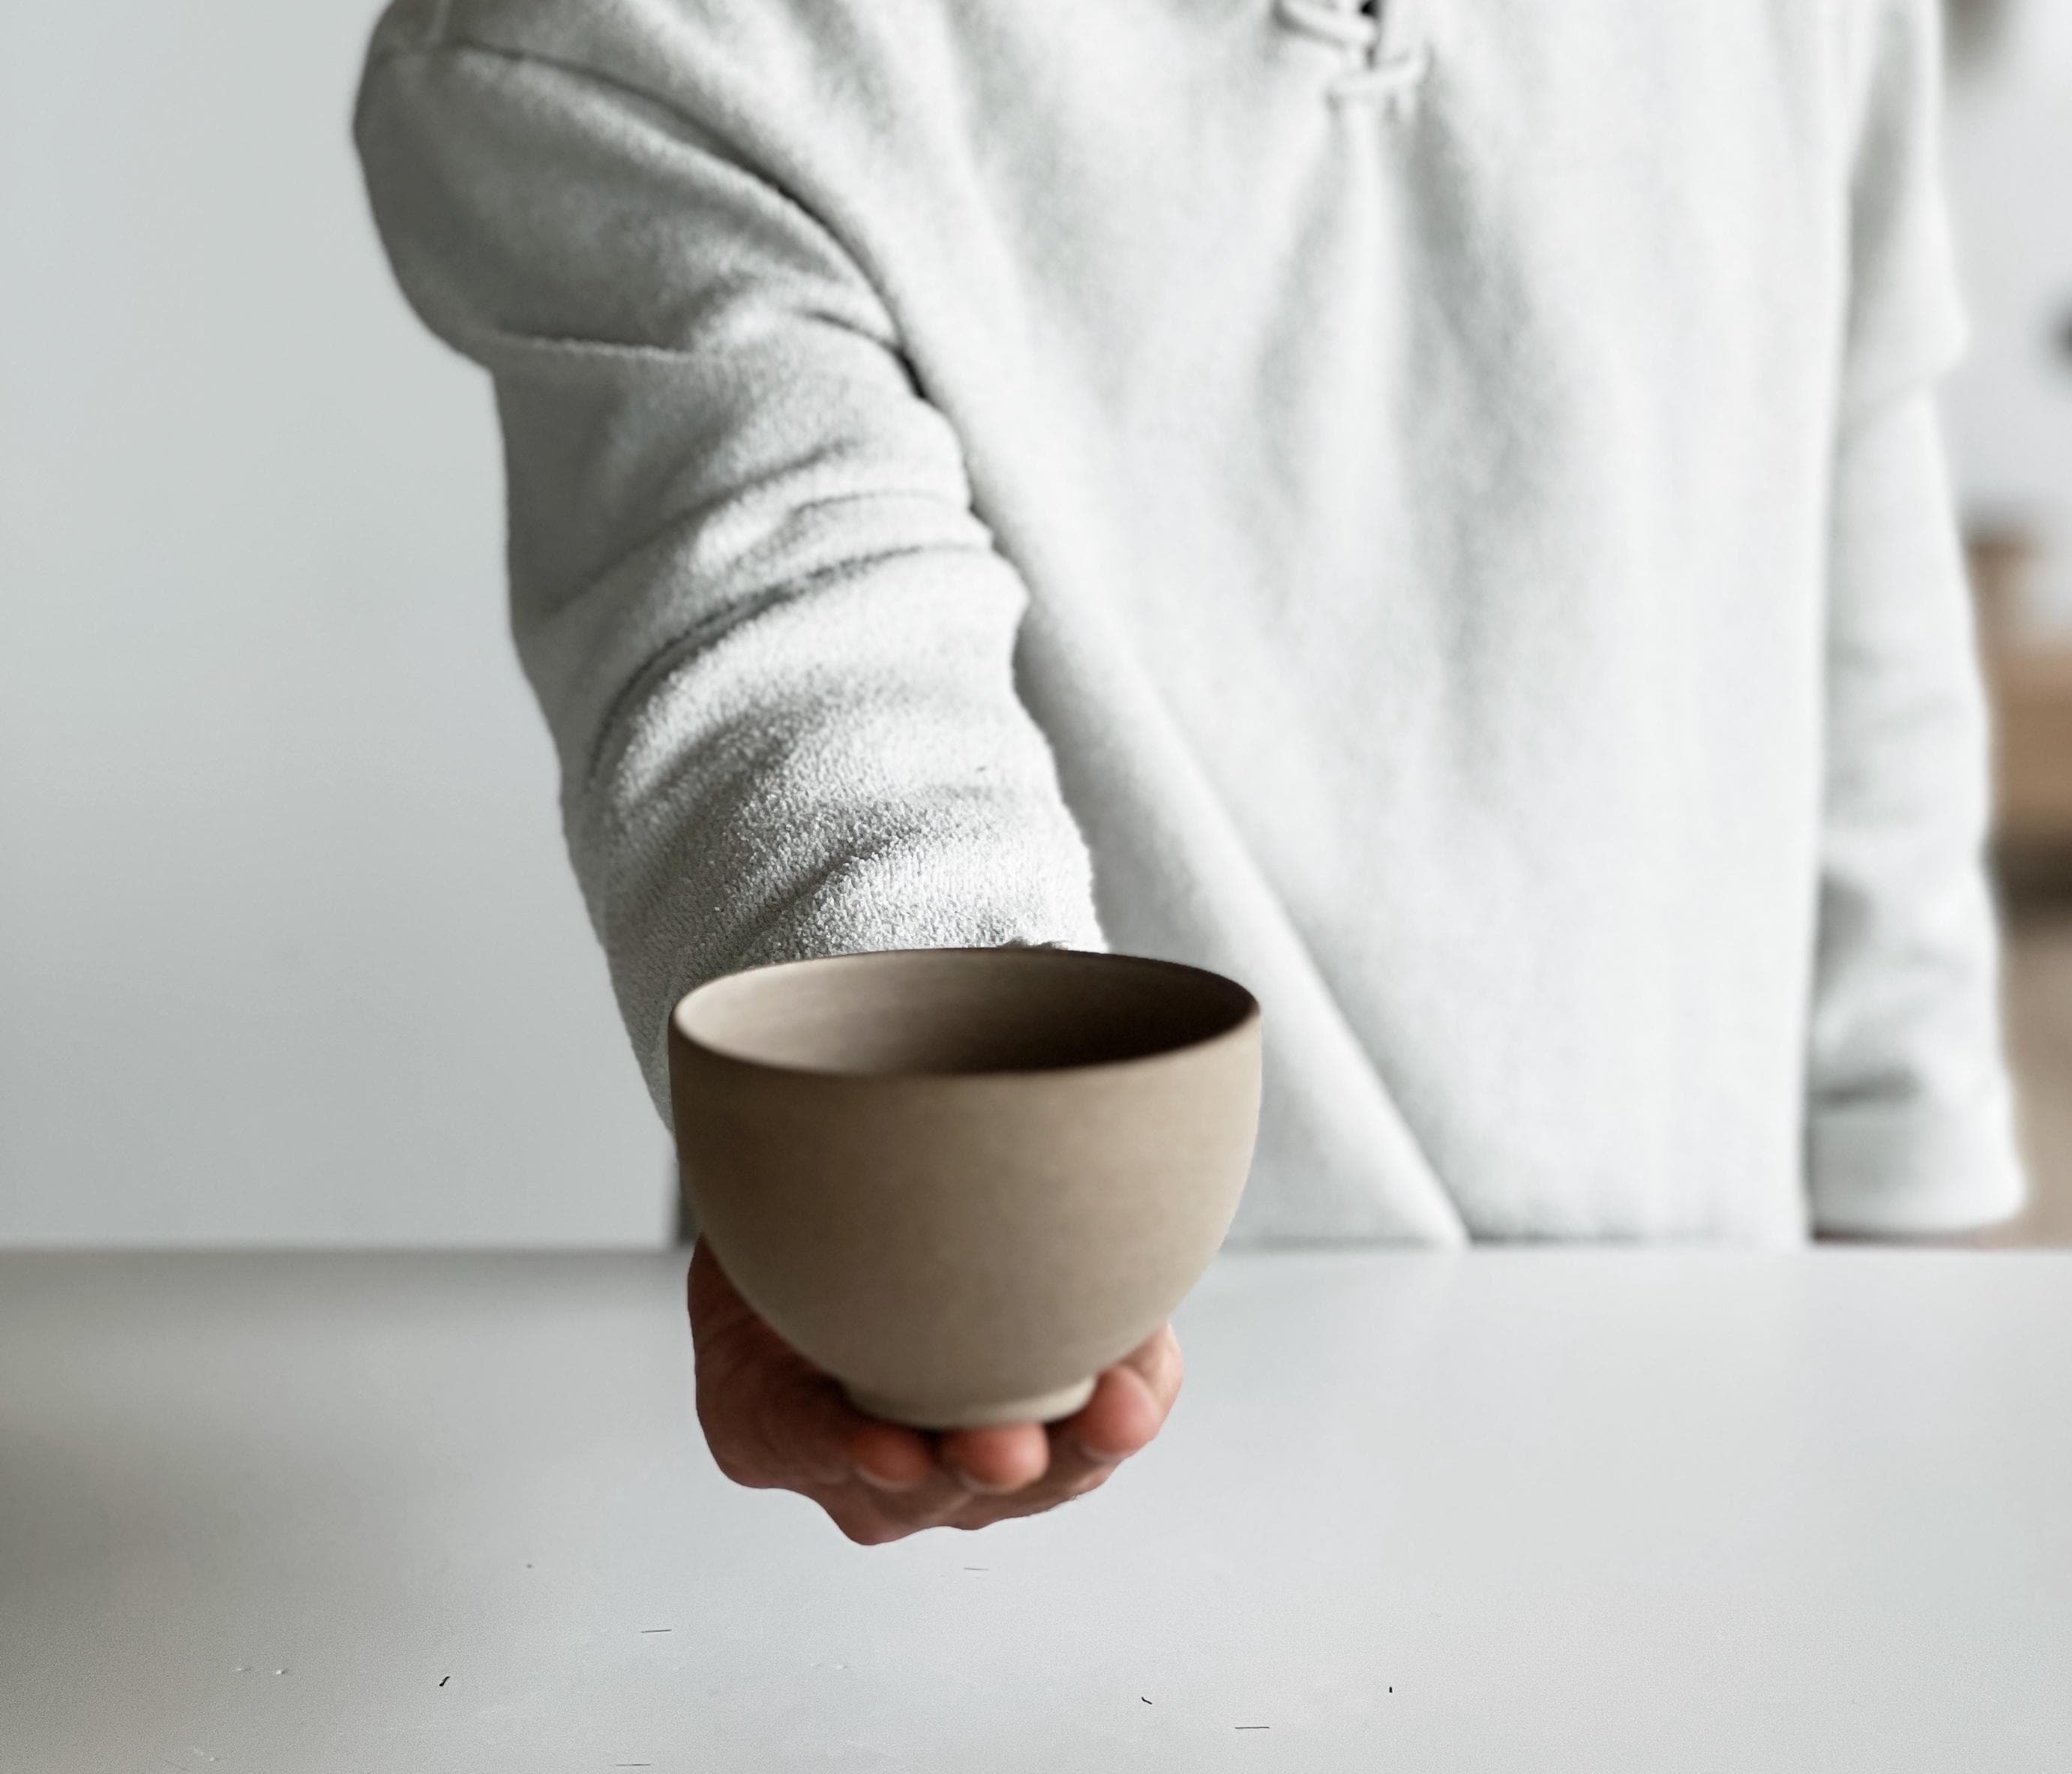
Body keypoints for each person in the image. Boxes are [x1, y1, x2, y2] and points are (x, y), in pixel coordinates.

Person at [356, 0, 2025, 1541]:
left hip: (1703, 1431)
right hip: (1082, 1494)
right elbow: (798, 646)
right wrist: (944, 1194)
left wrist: (1915, 1290)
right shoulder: (657, 31)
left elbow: (1855, 577)